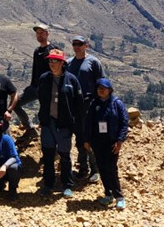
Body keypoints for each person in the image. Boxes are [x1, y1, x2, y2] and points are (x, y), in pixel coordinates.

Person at [37, 49, 84, 198]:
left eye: (55, 61)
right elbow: (41, 98)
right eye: (50, 61)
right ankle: (48, 184)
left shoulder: (72, 80)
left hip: (64, 124)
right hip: (47, 122)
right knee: (48, 155)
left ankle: (67, 185)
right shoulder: (44, 78)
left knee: (64, 155)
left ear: (62, 63)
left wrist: (75, 121)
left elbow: (79, 103)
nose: (52, 63)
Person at [84, 78, 129, 210]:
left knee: (111, 168)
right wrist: (87, 140)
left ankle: (119, 196)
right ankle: (108, 194)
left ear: (110, 90)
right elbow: (88, 123)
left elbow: (124, 122)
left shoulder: (117, 104)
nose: (101, 90)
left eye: (104, 88)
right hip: (98, 143)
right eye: (99, 88)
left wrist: (120, 140)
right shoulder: (94, 104)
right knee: (102, 168)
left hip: (112, 142)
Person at [67, 35, 105, 183]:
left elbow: (101, 83)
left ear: (86, 45)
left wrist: (101, 103)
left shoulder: (93, 62)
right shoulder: (69, 63)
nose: (77, 46)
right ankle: (83, 168)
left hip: (89, 104)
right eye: (74, 44)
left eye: (80, 44)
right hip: (74, 106)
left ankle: (95, 169)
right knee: (79, 138)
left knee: (91, 137)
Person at [13, 23, 59, 137]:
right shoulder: (37, 51)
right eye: (37, 33)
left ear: (47, 34)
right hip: (34, 87)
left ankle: (48, 137)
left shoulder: (53, 50)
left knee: (45, 113)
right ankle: (29, 128)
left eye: (42, 33)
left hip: (47, 88)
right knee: (16, 104)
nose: (39, 35)